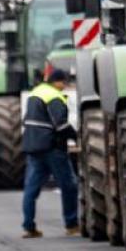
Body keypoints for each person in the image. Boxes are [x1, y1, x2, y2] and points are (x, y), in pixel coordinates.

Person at [21, 69, 79, 238]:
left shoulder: (36, 93)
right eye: (65, 83)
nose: (65, 87)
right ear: (58, 82)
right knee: (69, 185)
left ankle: (29, 226)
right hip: (52, 148)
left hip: (33, 147)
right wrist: (76, 136)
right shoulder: (54, 96)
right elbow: (60, 125)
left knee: (31, 189)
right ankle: (72, 224)